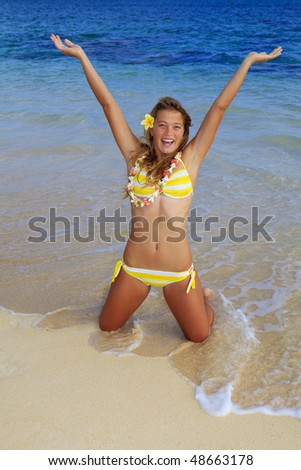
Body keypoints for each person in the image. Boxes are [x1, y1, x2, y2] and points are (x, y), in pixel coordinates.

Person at [50, 34, 282, 342]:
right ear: (151, 128)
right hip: (136, 267)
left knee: (199, 336)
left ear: (185, 133)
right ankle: (121, 283)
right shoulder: (135, 157)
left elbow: (220, 107)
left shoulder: (190, 162)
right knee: (107, 327)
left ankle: (204, 296)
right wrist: (82, 57)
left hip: (177, 273)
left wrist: (248, 61)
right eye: (162, 124)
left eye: (176, 126)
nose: (168, 132)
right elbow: (108, 105)